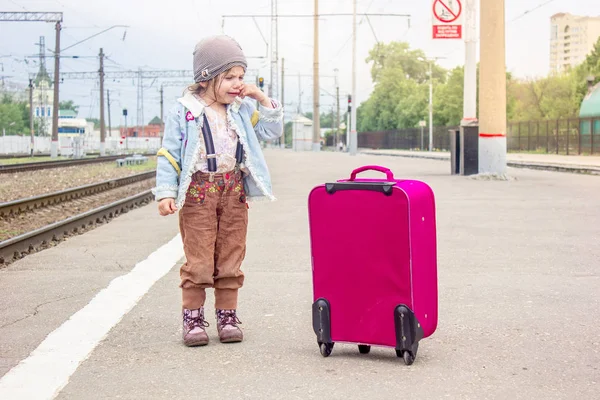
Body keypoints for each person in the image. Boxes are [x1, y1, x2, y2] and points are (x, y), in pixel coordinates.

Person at [153, 35, 283, 347]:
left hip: (233, 190)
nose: (238, 84)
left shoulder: (241, 109)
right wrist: (166, 192)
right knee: (198, 258)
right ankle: (193, 318)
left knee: (231, 254)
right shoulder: (184, 111)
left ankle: (227, 316)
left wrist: (260, 97)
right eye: (229, 78)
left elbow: (273, 131)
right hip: (199, 191)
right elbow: (170, 154)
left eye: (241, 77)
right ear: (206, 78)